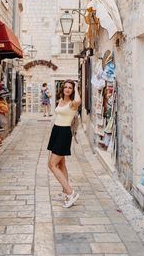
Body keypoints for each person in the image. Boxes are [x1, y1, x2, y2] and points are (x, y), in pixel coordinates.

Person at [47, 80, 81, 208]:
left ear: (73, 90)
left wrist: (77, 87)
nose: (67, 89)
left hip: (64, 133)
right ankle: (65, 192)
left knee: (51, 164)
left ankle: (71, 192)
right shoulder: (61, 100)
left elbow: (78, 100)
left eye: (70, 88)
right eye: (66, 87)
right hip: (56, 131)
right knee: (61, 163)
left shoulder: (73, 103)